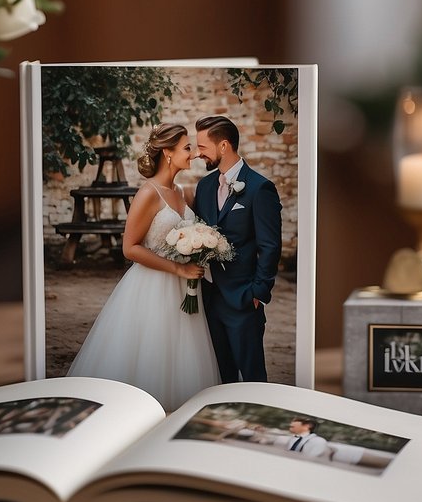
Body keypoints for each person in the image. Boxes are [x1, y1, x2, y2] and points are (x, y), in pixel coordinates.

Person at [67, 124, 221, 410]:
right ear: (168, 152)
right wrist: (177, 269)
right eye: (187, 148)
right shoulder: (148, 194)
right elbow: (130, 247)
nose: (193, 154)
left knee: (182, 355)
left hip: (185, 287)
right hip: (153, 286)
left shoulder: (185, 192)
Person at [192, 115, 283, 383]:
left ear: (223, 146)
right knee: (222, 376)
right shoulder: (205, 186)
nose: (198, 154)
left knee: (253, 377)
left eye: (202, 147)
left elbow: (270, 245)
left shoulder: (259, 188)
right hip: (209, 297)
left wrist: (258, 292)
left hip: (243, 299)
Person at [247, 417, 330, 460]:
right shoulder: (292, 438)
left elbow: (310, 459)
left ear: (307, 426)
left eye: (293, 426)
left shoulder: (318, 442)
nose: (290, 427)